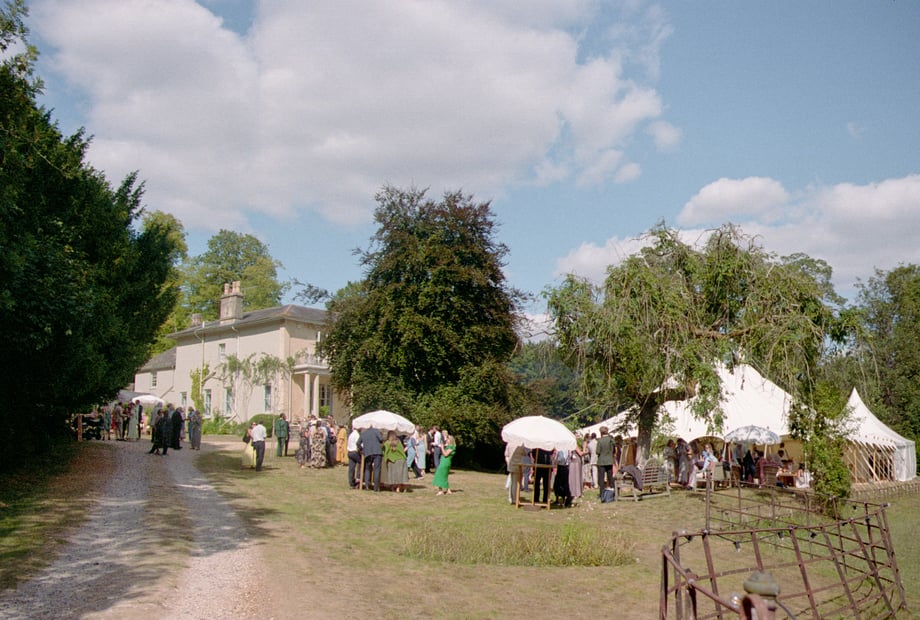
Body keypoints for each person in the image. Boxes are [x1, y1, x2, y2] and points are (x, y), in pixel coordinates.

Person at [358, 426, 384, 491]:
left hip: (368, 452)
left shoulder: (363, 433)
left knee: (367, 469)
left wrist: (362, 450)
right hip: (377, 452)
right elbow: (381, 439)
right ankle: (376, 487)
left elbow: (358, 443)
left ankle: (367, 485)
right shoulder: (376, 431)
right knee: (376, 469)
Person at [595, 426, 616, 498]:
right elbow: (614, 450)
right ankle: (613, 492)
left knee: (601, 479)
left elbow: (597, 452)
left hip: (601, 461)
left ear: (601, 432)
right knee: (610, 478)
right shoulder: (611, 440)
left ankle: (602, 494)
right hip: (609, 460)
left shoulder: (600, 441)